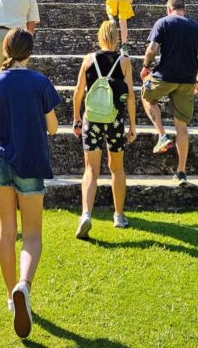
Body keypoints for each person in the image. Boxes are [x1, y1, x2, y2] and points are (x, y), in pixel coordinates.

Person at [0, 28, 61, 339]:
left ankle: (11, 297)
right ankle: (24, 285)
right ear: (29, 52)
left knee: (6, 231)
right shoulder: (39, 82)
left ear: (6, 49)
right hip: (31, 162)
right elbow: (53, 128)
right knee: (32, 234)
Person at [72, 20, 137, 238]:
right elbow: (130, 96)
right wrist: (133, 125)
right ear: (116, 38)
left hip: (92, 119)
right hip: (115, 120)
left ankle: (86, 213)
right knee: (116, 168)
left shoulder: (88, 59)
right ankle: (118, 215)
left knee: (91, 169)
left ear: (100, 37)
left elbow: (79, 91)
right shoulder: (124, 61)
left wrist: (76, 118)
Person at [140, 0, 198, 186]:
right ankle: (181, 172)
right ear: (184, 10)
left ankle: (162, 135)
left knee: (147, 97)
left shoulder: (163, 22)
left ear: (168, 9)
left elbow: (152, 49)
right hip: (187, 81)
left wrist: (146, 67)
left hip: (164, 76)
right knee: (182, 126)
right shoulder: (197, 28)